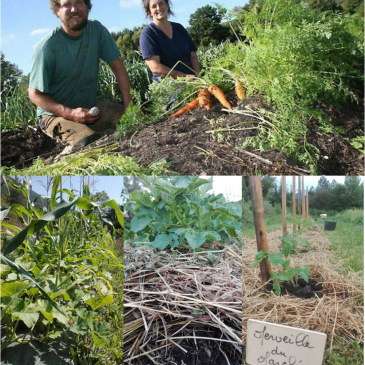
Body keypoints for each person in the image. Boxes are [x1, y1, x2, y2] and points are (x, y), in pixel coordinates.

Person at [29, 0, 132, 148]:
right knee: (88, 143)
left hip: (89, 109)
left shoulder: (96, 30)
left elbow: (117, 65)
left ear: (87, 6)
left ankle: (106, 134)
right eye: (66, 5)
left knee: (133, 123)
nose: (74, 9)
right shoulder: (47, 47)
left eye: (79, 3)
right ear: (57, 10)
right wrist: (70, 113)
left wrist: (130, 106)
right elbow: (34, 94)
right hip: (55, 115)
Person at [140, 0, 200, 82]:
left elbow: (193, 55)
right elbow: (155, 67)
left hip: (191, 81)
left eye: (161, 3)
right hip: (168, 86)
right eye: (154, 6)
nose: (158, 8)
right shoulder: (148, 34)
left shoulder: (179, 28)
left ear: (167, 5)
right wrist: (183, 76)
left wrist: (197, 76)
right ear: (149, 12)